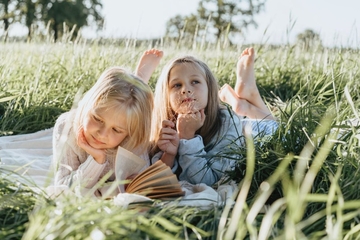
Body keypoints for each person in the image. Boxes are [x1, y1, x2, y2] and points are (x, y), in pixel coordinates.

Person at [150, 47, 278, 186]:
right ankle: (244, 104)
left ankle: (247, 98)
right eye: (177, 85)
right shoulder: (165, 127)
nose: (186, 89)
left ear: (210, 89)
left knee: (272, 124)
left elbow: (209, 181)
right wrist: (169, 154)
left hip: (260, 134)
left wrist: (188, 138)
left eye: (195, 82)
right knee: (247, 117)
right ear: (165, 96)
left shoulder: (227, 122)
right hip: (243, 124)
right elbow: (156, 182)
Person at [53, 49, 163, 196]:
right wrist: (97, 160)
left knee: (134, 106)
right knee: (126, 103)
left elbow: (140, 183)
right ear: (87, 106)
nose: (103, 134)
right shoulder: (66, 127)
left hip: (132, 119)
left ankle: (139, 81)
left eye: (116, 130)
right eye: (97, 119)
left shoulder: (134, 138)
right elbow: (63, 186)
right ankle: (138, 81)